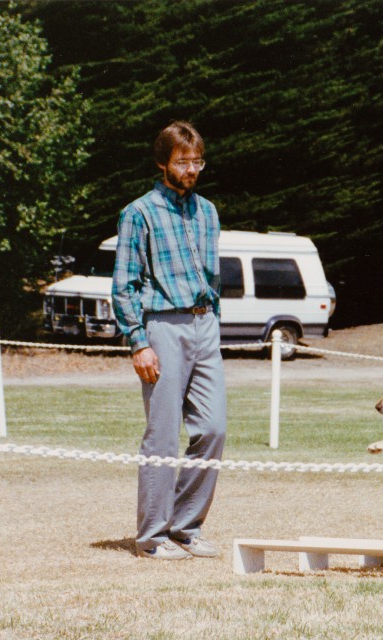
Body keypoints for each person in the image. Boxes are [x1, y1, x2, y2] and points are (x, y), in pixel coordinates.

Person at [112, 121, 226, 561]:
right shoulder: (138, 213)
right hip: (161, 327)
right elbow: (124, 284)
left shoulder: (209, 211)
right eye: (183, 161)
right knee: (162, 435)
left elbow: (213, 276)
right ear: (163, 162)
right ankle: (153, 537)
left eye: (198, 160)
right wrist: (138, 342)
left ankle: (186, 526)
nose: (192, 168)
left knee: (213, 429)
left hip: (204, 325)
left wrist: (213, 320)